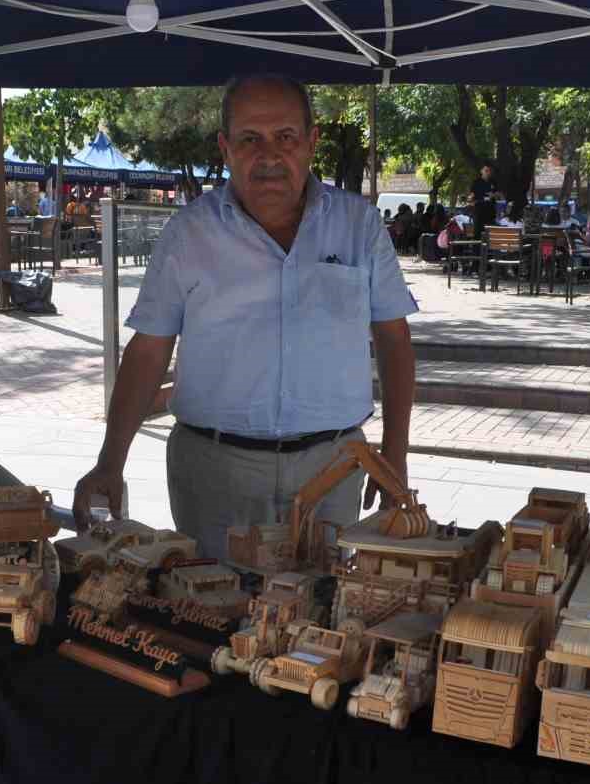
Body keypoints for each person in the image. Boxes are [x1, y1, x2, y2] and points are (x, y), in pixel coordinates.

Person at [71, 74, 418, 559]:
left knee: (318, 614)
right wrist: (111, 461)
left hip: (334, 468)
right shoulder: (188, 233)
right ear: (225, 148)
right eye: (250, 139)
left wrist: (395, 452)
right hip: (214, 474)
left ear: (312, 143)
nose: (269, 156)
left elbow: (394, 339)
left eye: (286, 138)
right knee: (211, 610)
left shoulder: (358, 226)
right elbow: (149, 349)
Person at [469, 164, 497, 239]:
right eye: (486, 170)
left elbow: (499, 194)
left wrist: (493, 195)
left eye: (489, 171)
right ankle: (476, 249)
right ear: (481, 171)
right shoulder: (476, 182)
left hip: (491, 212)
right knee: (478, 233)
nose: (488, 172)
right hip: (479, 212)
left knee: (490, 234)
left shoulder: (493, 182)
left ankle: (490, 250)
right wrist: (471, 201)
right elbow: (471, 196)